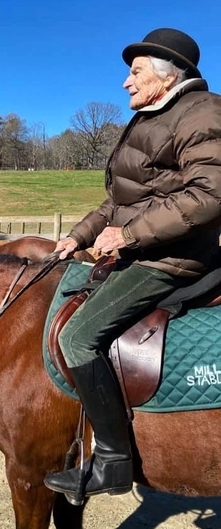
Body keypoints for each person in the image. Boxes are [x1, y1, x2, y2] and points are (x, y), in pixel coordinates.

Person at [44, 28, 221, 503]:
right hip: (147, 246)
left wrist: (127, 236)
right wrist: (76, 237)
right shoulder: (152, 117)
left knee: (78, 336)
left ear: (168, 75)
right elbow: (118, 201)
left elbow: (209, 195)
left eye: (135, 71)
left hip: (173, 257)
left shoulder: (202, 112)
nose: (126, 82)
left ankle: (113, 462)